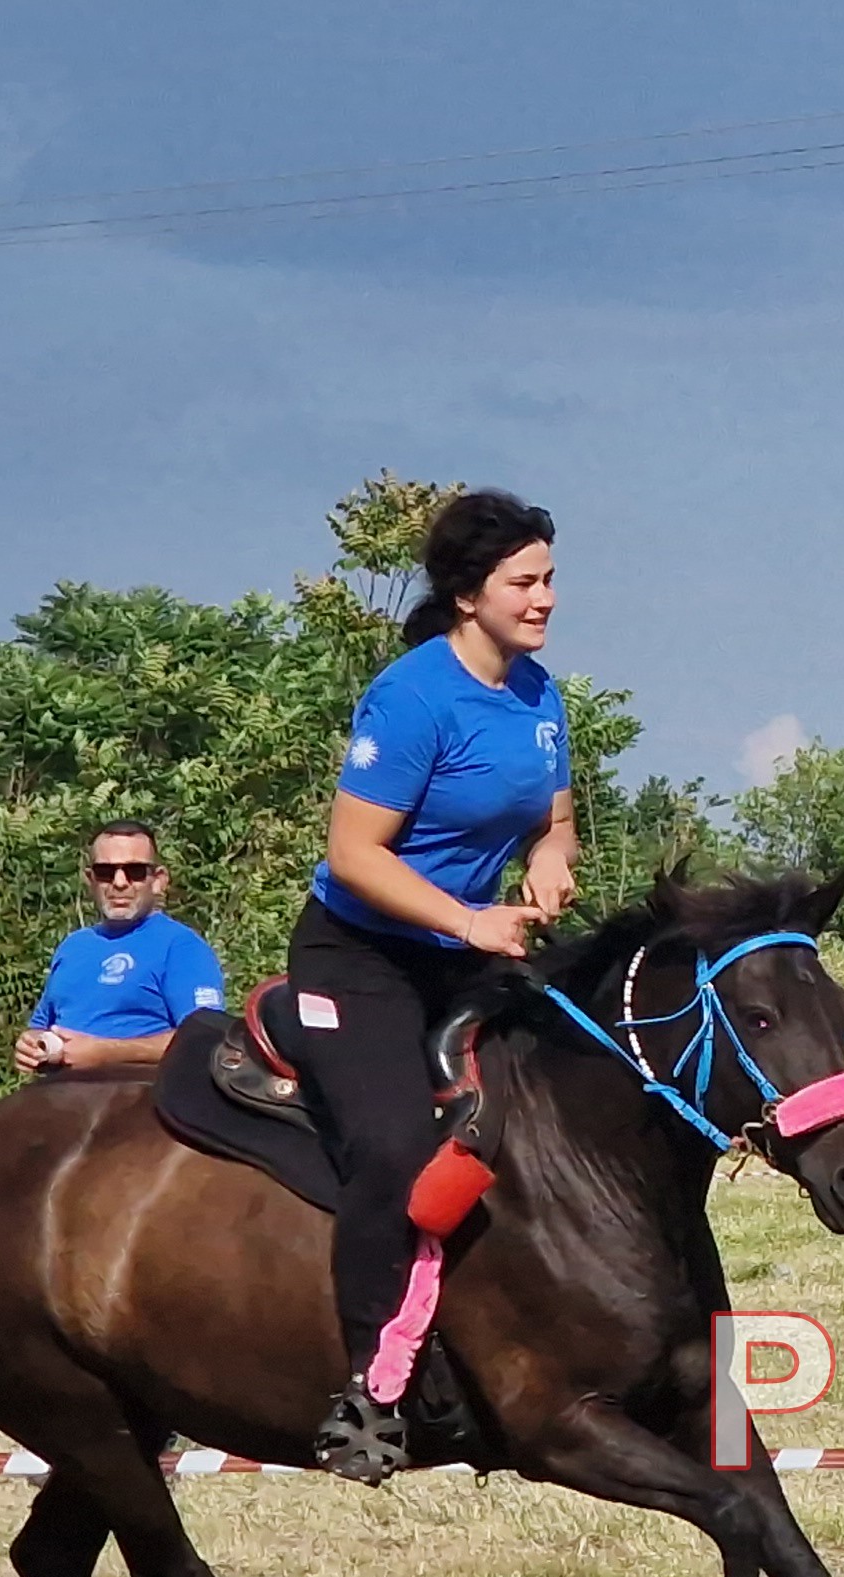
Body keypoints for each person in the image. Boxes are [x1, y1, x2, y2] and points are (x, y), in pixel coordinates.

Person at [296, 489, 578, 1480]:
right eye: (524, 581)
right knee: (392, 1148)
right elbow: (353, 852)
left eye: (549, 578)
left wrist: (551, 855)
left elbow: (554, 812)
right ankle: (371, 1388)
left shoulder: (540, 694)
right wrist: (469, 919)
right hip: (357, 955)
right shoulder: (412, 697)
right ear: (468, 595)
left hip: (463, 949)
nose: (546, 597)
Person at [15, 821, 228, 1073]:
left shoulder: (181, 947)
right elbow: (41, 1025)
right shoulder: (73, 946)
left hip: (139, 1094)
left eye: (135, 871)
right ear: (90, 879)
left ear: (158, 880)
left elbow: (205, 1039)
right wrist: (30, 1045)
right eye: (105, 872)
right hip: (59, 1096)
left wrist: (106, 1053)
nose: (119, 883)